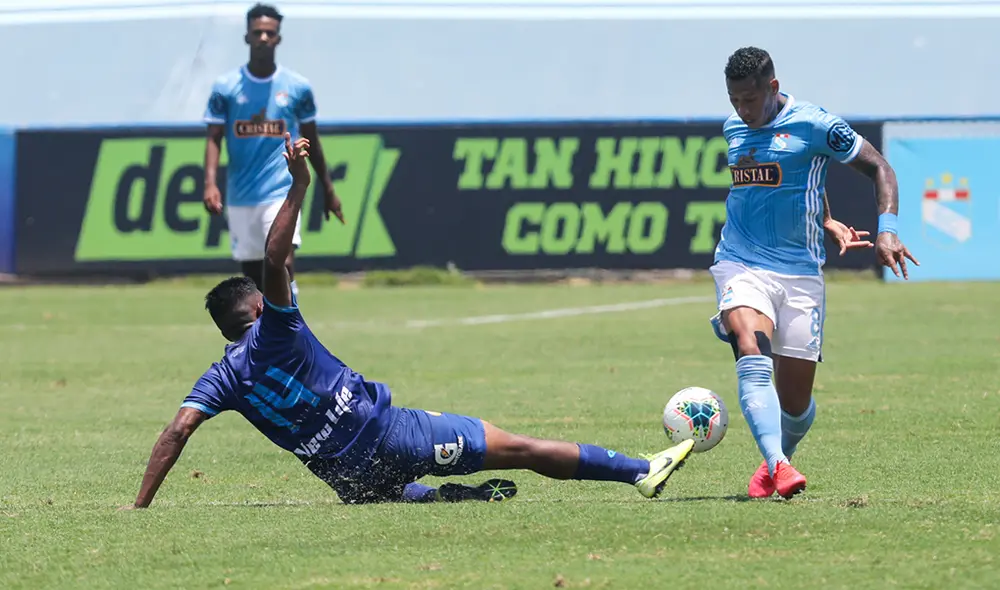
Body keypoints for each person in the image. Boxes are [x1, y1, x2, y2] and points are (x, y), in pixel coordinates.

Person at [123, 134, 696, 509]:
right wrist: (300, 184)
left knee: (392, 489)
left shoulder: (220, 378)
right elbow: (274, 259)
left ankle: (439, 496)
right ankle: (638, 470)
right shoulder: (277, 326)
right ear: (254, 310)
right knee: (518, 446)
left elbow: (177, 432)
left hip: (342, 476)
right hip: (389, 435)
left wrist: (140, 505)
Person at [709, 46, 919, 499]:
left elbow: (879, 167)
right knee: (751, 344)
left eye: (749, 99)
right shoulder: (733, 128)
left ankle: (778, 456)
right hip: (740, 261)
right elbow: (773, 182)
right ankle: (779, 465)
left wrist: (887, 230)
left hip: (800, 273)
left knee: (796, 405)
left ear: (773, 88)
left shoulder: (815, 124)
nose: (742, 111)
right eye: (733, 101)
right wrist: (823, 214)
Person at [202, 3, 344, 299]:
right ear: (247, 37)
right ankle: (264, 339)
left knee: (282, 262)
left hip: (281, 191)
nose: (264, 38)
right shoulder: (226, 88)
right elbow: (214, 137)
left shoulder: (297, 87)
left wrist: (328, 189)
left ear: (278, 38)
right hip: (242, 195)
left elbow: (313, 141)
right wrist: (210, 183)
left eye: (270, 33)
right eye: (258, 32)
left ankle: (293, 331)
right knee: (253, 277)